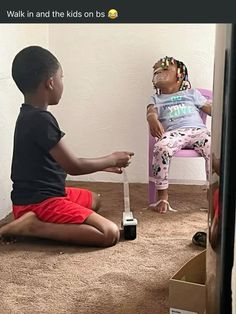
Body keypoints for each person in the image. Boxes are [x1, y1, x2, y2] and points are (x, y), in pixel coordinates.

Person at [0, 46, 134, 247]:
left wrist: (101, 165)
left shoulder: (29, 114)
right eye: (62, 78)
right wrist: (112, 158)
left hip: (43, 195)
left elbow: (62, 160)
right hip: (39, 202)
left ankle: (35, 219)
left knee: (95, 200)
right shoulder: (41, 120)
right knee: (109, 233)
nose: (63, 83)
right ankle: (32, 226)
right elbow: (74, 166)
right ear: (51, 83)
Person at [146, 56, 212, 213]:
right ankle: (162, 198)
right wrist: (152, 118)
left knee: (216, 148)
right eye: (156, 70)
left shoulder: (191, 93)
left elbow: (210, 108)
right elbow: (151, 112)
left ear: (180, 75)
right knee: (161, 147)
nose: (159, 71)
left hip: (198, 131)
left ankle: (214, 194)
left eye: (165, 69)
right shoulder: (156, 98)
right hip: (174, 134)